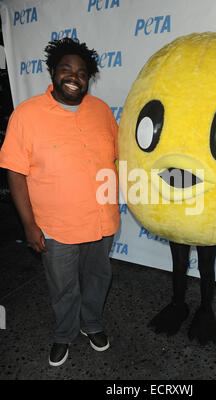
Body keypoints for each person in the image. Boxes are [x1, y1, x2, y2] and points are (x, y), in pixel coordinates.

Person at [0, 38, 120, 366]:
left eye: (81, 72)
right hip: (56, 226)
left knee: (98, 277)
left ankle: (91, 324)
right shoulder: (27, 115)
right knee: (63, 286)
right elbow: (15, 174)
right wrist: (29, 225)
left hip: (101, 220)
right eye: (66, 69)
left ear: (88, 78)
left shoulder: (101, 111)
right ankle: (64, 334)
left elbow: (116, 159)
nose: (73, 77)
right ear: (53, 72)